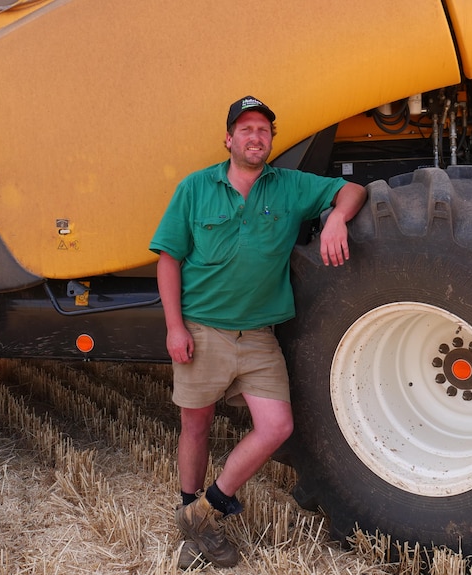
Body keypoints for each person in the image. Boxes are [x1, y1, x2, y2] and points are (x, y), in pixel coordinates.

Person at [149, 95, 367, 568]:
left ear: (271, 140)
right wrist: (174, 327)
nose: (255, 136)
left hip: (260, 338)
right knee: (196, 425)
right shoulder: (195, 188)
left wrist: (335, 217)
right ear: (229, 139)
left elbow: (353, 191)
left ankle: (204, 513)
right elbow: (168, 259)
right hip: (203, 330)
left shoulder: (289, 187)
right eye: (245, 129)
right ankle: (191, 515)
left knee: (277, 427)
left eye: (264, 130)